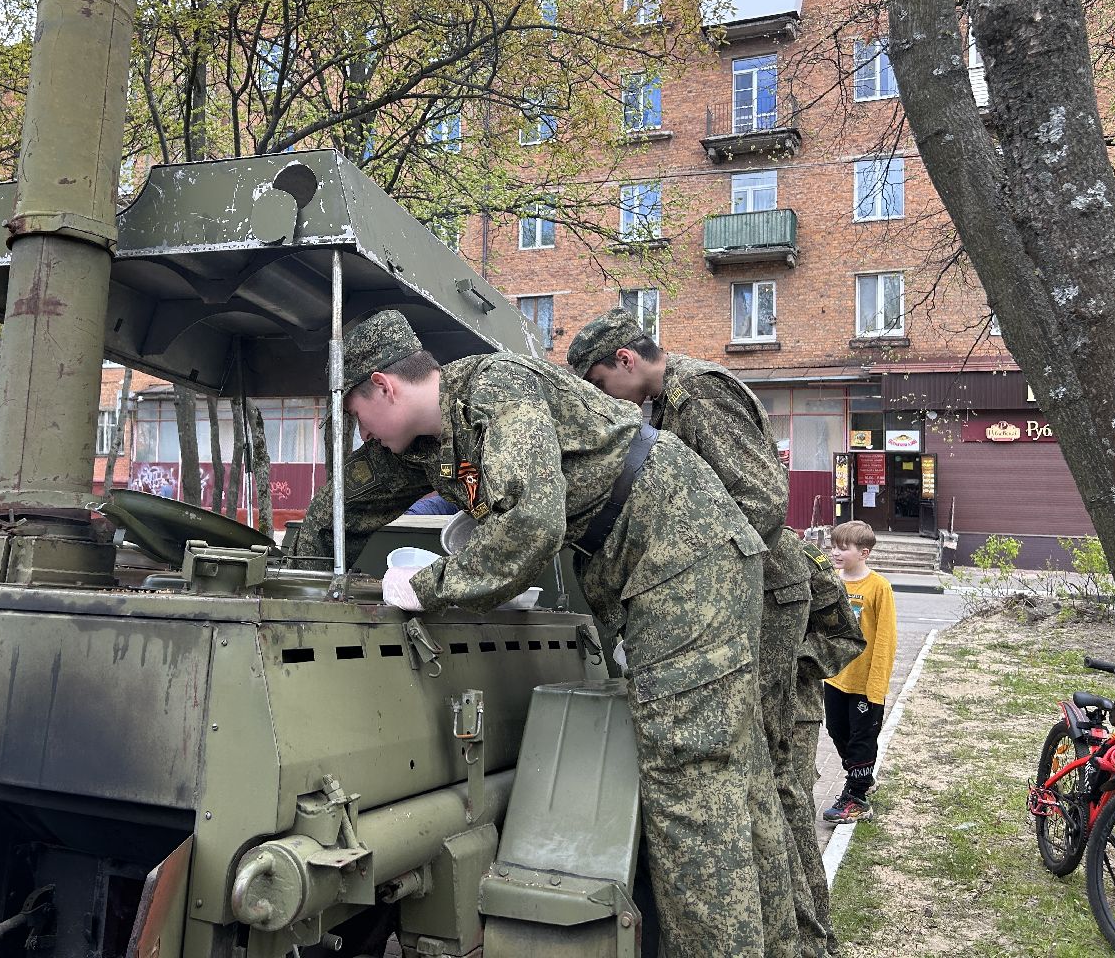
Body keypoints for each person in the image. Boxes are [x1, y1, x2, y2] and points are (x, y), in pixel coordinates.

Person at [293, 309, 795, 958]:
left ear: (385, 386)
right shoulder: (424, 444)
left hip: (682, 554)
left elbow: (531, 528)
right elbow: (345, 502)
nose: (363, 433)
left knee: (689, 786)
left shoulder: (494, 391)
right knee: (739, 776)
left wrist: (422, 588)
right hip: (671, 559)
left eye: (360, 415)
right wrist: (297, 579)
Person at [567, 308, 828, 957]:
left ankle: (807, 935)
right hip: (736, 592)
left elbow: (763, 502)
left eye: (601, 385)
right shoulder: (660, 407)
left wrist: (690, 565)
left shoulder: (697, 391)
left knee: (767, 771)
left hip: (761, 593)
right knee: (747, 770)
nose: (605, 402)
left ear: (626, 361)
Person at [792, 537, 865, 953]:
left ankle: (817, 938)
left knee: (795, 825)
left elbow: (846, 638)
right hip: (714, 719)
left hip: (790, 717)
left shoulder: (797, 557)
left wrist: (791, 659)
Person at [821, 519, 898, 825]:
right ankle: (861, 777)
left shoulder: (878, 587)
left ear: (864, 552)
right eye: (834, 546)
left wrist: (876, 683)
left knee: (862, 738)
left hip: (866, 681)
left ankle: (856, 797)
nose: (836, 552)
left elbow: (885, 638)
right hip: (837, 676)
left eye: (844, 547)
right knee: (837, 731)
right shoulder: (832, 582)